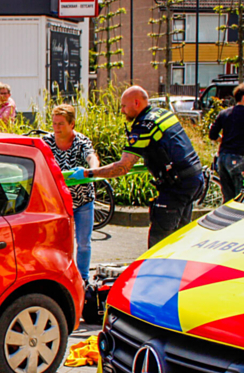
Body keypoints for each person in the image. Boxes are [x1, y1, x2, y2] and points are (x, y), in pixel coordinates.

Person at [78, 85, 204, 249]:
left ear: (136, 103)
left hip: (176, 187)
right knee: (179, 238)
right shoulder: (163, 114)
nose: (122, 111)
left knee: (159, 242)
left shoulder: (143, 126)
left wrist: (89, 173)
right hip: (194, 178)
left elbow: (122, 167)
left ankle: (157, 266)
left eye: (124, 106)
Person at [43, 105, 100, 283]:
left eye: (61, 124)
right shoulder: (47, 141)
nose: (56, 128)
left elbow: (91, 156)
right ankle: (61, 277)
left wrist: (93, 170)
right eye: (54, 123)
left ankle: (83, 279)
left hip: (83, 200)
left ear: (72, 124)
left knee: (83, 243)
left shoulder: (81, 141)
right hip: (58, 202)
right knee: (58, 244)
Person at [208, 82, 244, 202]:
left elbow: (212, 134)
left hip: (222, 160)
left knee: (228, 198)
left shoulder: (224, 113)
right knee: (243, 197)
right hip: (238, 160)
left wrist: (222, 140)